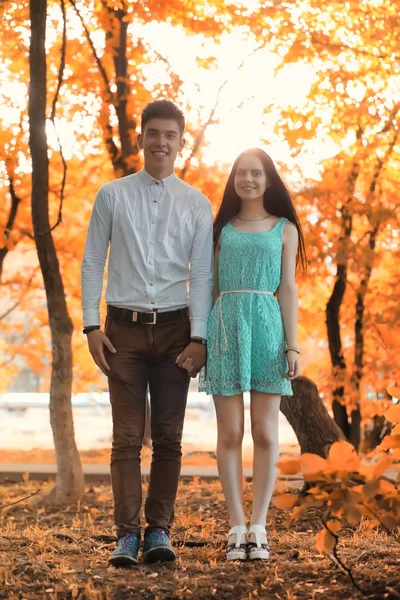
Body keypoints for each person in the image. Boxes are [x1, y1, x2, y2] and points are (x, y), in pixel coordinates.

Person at [81, 99, 213, 566]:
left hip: (178, 331)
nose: (161, 142)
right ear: (140, 138)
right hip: (123, 332)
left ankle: (159, 531)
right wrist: (91, 326)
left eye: (170, 135)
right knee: (126, 438)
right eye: (153, 133)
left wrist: (201, 337)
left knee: (169, 437)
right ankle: (126, 536)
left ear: (181, 142)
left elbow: (202, 276)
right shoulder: (111, 195)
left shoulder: (198, 204)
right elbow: (93, 260)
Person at [187, 148, 306, 561]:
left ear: (268, 180)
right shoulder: (220, 229)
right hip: (225, 326)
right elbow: (207, 285)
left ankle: (260, 526)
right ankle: (236, 525)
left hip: (268, 328)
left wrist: (292, 344)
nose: (248, 179)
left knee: (267, 432)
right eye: (241, 173)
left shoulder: (285, 229)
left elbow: (288, 289)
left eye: (256, 173)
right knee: (231, 434)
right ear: (234, 179)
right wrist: (199, 337)